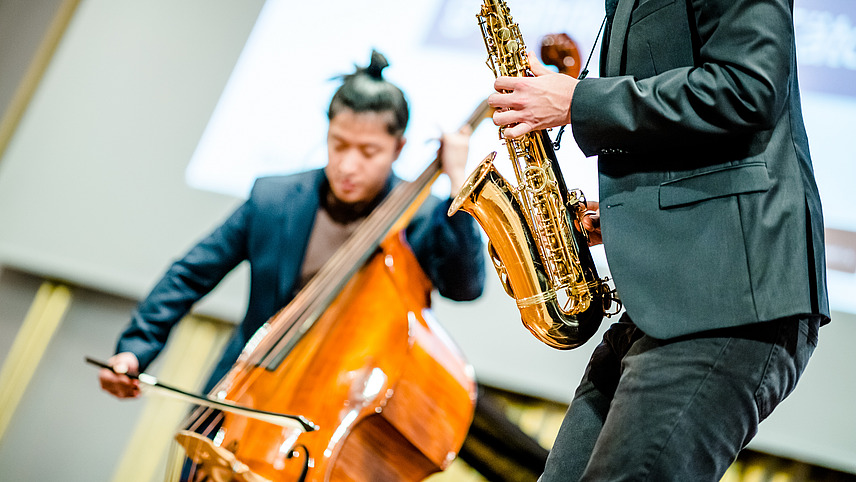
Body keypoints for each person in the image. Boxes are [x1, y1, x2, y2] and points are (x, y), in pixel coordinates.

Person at [488, 0, 829, 479]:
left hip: (729, 297)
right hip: (671, 302)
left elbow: (748, 87)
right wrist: (630, 214)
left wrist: (578, 102)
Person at [98, 50, 486, 402]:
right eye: (339, 145)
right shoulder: (274, 198)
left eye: (368, 152)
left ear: (398, 148)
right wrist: (135, 348)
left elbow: (465, 287)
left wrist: (457, 183)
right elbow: (190, 274)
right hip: (241, 392)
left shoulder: (421, 218)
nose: (348, 166)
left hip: (337, 411)